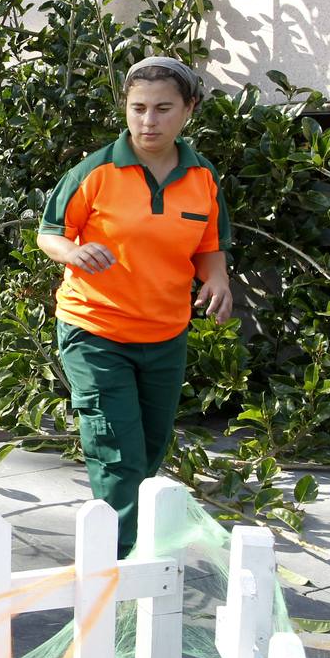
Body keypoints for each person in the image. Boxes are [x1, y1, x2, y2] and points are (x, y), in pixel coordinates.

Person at [37, 56, 233, 557]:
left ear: (188, 110)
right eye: (138, 108)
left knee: (148, 451)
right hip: (94, 329)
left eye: (163, 108)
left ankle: (132, 547)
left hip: (165, 334)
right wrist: (74, 252)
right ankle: (119, 565)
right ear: (125, 108)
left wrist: (219, 280)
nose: (149, 121)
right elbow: (50, 234)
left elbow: (209, 247)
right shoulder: (97, 172)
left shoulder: (202, 177)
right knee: (117, 452)